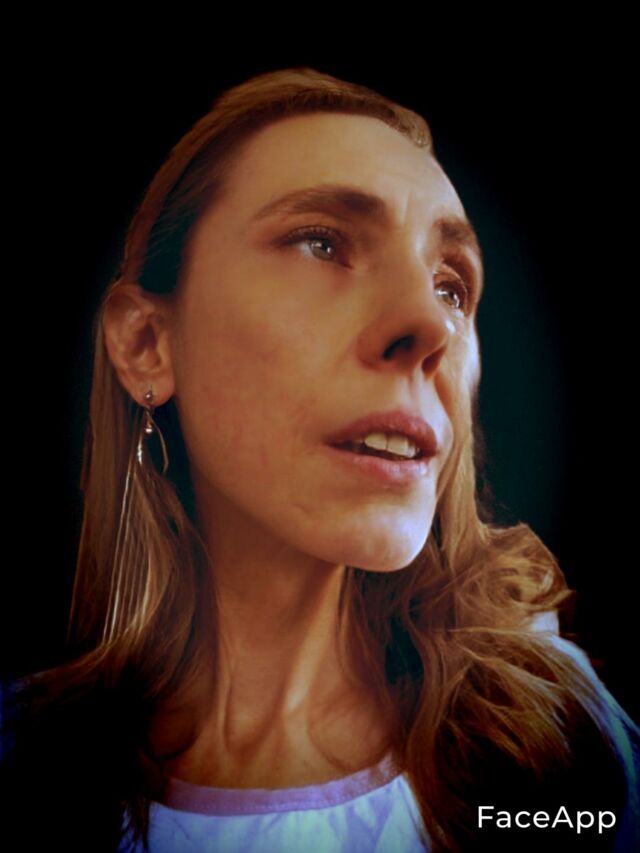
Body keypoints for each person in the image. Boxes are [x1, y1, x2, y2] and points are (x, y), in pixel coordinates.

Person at [1, 67, 638, 853]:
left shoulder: (564, 749)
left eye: (451, 286)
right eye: (322, 243)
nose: (430, 326)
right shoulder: (17, 763)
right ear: (146, 343)